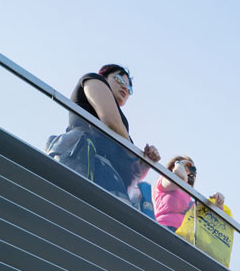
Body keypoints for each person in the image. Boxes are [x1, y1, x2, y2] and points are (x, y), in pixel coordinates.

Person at [46, 64, 160, 203]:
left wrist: (145, 160)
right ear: (104, 76)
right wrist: (134, 154)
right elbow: (111, 121)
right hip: (90, 165)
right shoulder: (93, 80)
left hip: (113, 180)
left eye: (129, 88)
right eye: (120, 80)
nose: (125, 87)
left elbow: (132, 168)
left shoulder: (122, 127)